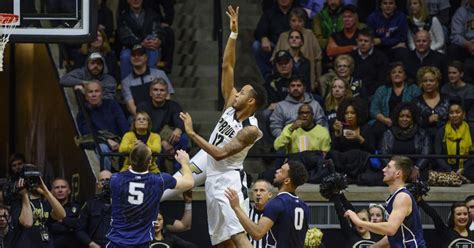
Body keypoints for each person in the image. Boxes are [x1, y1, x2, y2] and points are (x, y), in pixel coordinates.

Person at [177, 7, 267, 247]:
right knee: (221, 243)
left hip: (229, 180)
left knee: (238, 236)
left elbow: (218, 153)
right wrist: (233, 34)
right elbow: (228, 66)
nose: (236, 93)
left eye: (243, 92)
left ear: (251, 102)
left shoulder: (251, 129)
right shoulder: (230, 105)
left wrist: (192, 132)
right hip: (213, 179)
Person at [107, 144, 194, 247]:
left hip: (116, 242)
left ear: (130, 160)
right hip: (140, 243)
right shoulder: (159, 180)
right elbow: (189, 182)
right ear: (150, 162)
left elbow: (130, 175)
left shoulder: (115, 179)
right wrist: (185, 163)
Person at [344, 156, 426, 247]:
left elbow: (390, 229)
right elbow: (394, 235)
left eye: (388, 167)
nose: (383, 169)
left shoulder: (402, 197)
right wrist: (372, 247)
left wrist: (358, 222)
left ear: (398, 173)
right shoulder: (395, 196)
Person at [225, 161, 309, 248]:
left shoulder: (277, 203)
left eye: (281, 171)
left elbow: (257, 234)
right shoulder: (304, 206)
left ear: (287, 181)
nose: (277, 171)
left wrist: (236, 207)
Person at [76, 81, 129, 170]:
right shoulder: (83, 113)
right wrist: (107, 140)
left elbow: (123, 125)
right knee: (103, 148)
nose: (94, 94)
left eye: (97, 91)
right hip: (99, 143)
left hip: (118, 141)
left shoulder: (112, 105)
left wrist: (125, 142)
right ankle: (106, 178)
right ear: (86, 96)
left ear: (102, 93)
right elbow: (88, 134)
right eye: (90, 92)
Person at [9, 166, 67, 248]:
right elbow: (27, 223)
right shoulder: (17, 203)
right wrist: (24, 194)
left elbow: (62, 215)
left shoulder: (44, 202)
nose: (32, 182)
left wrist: (46, 192)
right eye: (29, 178)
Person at [136, 78, 188, 168]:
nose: (158, 93)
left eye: (162, 90)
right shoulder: (142, 107)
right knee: (156, 146)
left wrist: (178, 129)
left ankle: (179, 171)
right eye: (155, 90)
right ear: (150, 93)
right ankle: (155, 173)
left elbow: (180, 119)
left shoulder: (174, 105)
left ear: (167, 93)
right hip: (149, 138)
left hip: (170, 139)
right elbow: (145, 128)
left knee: (183, 138)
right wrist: (162, 141)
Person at [370, 62, 421, 142]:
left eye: (400, 72)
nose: (397, 74)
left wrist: (405, 120)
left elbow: (417, 109)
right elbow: (374, 110)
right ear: (390, 76)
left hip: (407, 121)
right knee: (376, 128)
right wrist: (384, 119)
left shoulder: (414, 89)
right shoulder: (381, 90)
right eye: (393, 72)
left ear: (405, 75)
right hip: (386, 121)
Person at [272, 7, 322, 89]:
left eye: (300, 21)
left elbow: (318, 58)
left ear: (304, 22)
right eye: (294, 21)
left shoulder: (309, 34)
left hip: (306, 79)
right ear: (289, 22)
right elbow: (275, 60)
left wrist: (317, 79)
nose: (296, 24)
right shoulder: (283, 36)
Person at [380, 102, 431, 180]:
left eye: (408, 116)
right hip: (394, 171)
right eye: (401, 116)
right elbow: (384, 155)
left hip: (414, 170)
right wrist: (392, 170)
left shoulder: (422, 133)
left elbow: (425, 154)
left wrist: (417, 168)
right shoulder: (388, 133)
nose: (404, 119)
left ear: (413, 118)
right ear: (397, 118)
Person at [116, 0, 164, 79]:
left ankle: (150, 83)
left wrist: (157, 39)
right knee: (125, 56)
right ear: (128, 1)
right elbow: (125, 36)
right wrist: (141, 43)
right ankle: (127, 86)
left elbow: (158, 31)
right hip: (131, 47)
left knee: (152, 47)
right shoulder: (122, 17)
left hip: (149, 46)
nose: (136, 0)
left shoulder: (152, 14)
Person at [121, 45, 174, 116]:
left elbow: (167, 98)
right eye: (133, 55)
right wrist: (145, 121)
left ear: (146, 57)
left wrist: (161, 117)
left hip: (161, 115)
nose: (136, 57)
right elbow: (131, 107)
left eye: (140, 54)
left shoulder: (159, 74)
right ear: (130, 58)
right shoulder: (126, 82)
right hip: (139, 119)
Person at [253, 0, 294, 82]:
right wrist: (263, 38)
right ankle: (269, 77)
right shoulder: (270, 13)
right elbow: (258, 31)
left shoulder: (298, 11)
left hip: (293, 45)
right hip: (274, 47)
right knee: (256, 45)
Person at [433, 99, 474, 181]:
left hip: (467, 168)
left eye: (457, 112)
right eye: (451, 113)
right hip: (447, 169)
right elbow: (438, 156)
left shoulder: (471, 130)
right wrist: (450, 170)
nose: (454, 115)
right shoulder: (441, 131)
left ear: (464, 114)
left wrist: (464, 169)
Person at [76, 170, 113, 248]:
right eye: (102, 180)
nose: (105, 183)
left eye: (108, 180)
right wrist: (91, 244)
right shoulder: (90, 204)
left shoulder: (121, 204)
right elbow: (79, 230)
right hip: (95, 245)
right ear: (98, 185)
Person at [412, 66, 449, 140]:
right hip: (422, 140)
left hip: (446, 138)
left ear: (437, 82)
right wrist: (427, 121)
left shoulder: (447, 99)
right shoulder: (415, 101)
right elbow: (413, 123)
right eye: (425, 81)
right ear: (421, 83)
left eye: (431, 80)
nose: (428, 83)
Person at [351, 28, 390, 97]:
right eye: (360, 40)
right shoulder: (351, 57)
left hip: (374, 93)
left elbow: (382, 81)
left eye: (366, 41)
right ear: (357, 41)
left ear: (372, 43)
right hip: (354, 90)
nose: (362, 43)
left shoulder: (381, 58)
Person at [49, 178, 81, 248]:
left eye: (63, 187)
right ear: (51, 192)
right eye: (57, 188)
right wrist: (69, 224)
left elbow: (78, 225)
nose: (60, 190)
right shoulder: (47, 207)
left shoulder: (76, 207)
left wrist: (62, 219)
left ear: (69, 191)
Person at [441, 61, 474, 126]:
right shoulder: (444, 89)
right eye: (449, 73)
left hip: (467, 123)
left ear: (461, 74)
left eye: (454, 73)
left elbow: (471, 113)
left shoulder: (470, 90)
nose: (451, 75)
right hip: (448, 123)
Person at [448, 0, 474, 83]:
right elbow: (455, 35)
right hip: (467, 47)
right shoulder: (461, 12)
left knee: (468, 65)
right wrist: (468, 44)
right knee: (452, 48)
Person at [248, 180, 273, 248]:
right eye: (255, 190)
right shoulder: (246, 214)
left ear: (270, 194)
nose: (258, 193)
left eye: (262, 190)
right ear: (252, 194)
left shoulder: (276, 214)